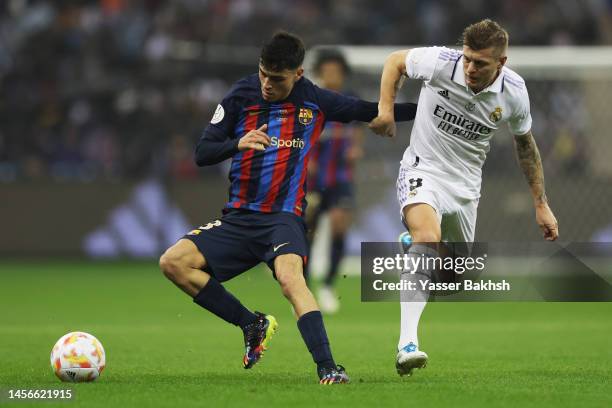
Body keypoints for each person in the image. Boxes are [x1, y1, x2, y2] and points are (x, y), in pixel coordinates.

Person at [159, 31, 417, 384]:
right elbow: (203, 153)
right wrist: (237, 143)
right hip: (239, 218)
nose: (266, 83)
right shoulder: (241, 95)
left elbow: (367, 110)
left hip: (283, 218)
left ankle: (328, 367)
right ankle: (252, 324)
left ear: (297, 74)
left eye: (276, 78)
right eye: (263, 73)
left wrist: (426, 112)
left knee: (290, 279)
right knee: (173, 262)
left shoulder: (314, 100)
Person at [369, 19, 559, 377]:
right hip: (422, 169)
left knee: (453, 278)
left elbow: (525, 146)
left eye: (480, 63)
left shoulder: (514, 91)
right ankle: (406, 344)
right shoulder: (441, 62)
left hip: (467, 186)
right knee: (428, 240)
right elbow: (395, 60)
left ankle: (412, 245)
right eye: (467, 59)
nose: (470, 68)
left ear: (500, 63)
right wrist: (385, 110)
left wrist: (541, 203)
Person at [305, 49, 363, 314]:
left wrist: (356, 149)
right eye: (327, 71)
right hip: (313, 178)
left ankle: (328, 285)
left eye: (336, 71)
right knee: (308, 231)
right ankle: (302, 287)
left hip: (341, 177)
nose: (332, 75)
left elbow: (359, 131)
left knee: (340, 226)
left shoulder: (351, 100)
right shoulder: (312, 101)